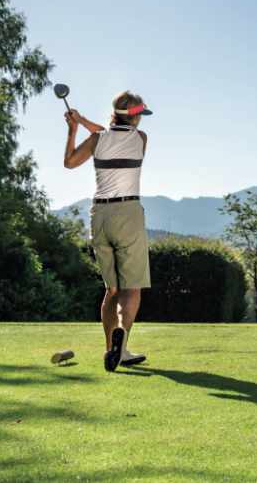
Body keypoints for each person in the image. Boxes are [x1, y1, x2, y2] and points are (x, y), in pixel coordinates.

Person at [63, 90, 153, 372]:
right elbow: (110, 131)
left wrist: (74, 128)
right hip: (128, 213)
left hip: (99, 214)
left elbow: (70, 162)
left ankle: (110, 349)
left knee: (111, 289)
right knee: (132, 287)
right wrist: (85, 122)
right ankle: (122, 341)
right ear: (136, 116)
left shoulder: (97, 139)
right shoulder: (141, 139)